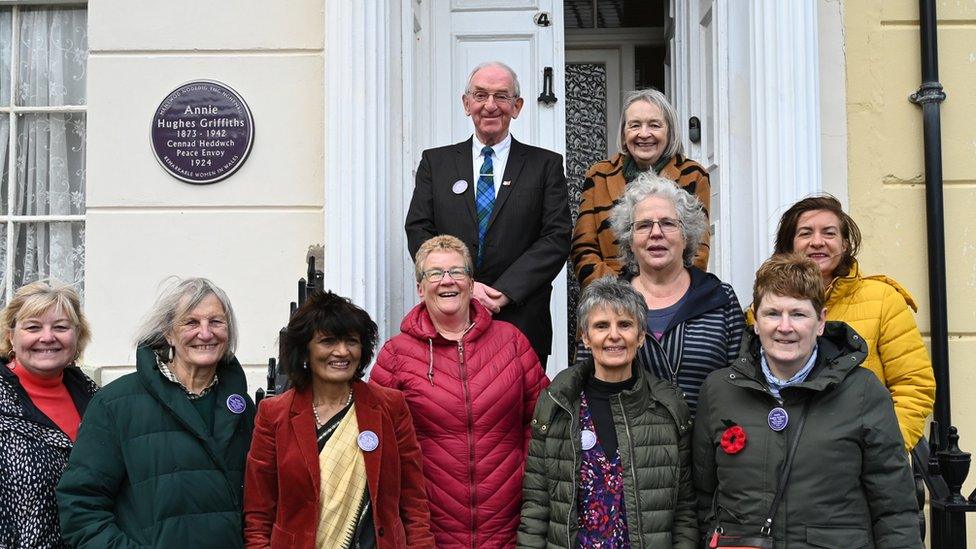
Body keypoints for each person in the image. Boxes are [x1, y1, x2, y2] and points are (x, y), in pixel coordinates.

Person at [694, 254, 921, 548]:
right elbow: (701, 498)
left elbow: (894, 509)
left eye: (798, 314)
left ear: (821, 321)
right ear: (755, 320)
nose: (784, 327)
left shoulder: (863, 392)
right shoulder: (719, 390)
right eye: (772, 313)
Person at [371, 235, 548, 548]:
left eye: (457, 271)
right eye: (435, 273)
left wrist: (526, 484)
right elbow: (380, 446)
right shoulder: (396, 356)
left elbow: (541, 424)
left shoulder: (512, 342)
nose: (447, 281)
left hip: (509, 528)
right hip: (429, 532)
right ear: (419, 288)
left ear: (471, 281)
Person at [57, 278, 255, 548]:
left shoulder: (243, 408)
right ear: (168, 332)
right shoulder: (115, 404)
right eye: (191, 323)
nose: (206, 333)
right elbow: (81, 507)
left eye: (216, 322)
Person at [404, 61, 572, 369]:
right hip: (449, 314)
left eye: (501, 96)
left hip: (520, 320)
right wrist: (463, 284)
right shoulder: (436, 163)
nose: (490, 105)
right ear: (466, 104)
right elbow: (419, 229)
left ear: (517, 106)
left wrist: (504, 291)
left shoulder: (545, 165)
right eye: (480, 95)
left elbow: (556, 238)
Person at [244, 291, 434, 548]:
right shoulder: (274, 414)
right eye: (328, 341)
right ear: (305, 350)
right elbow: (258, 513)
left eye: (351, 341)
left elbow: (413, 502)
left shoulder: (390, 407)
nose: (342, 352)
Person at [518, 277, 697, 548]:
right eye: (601, 326)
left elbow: (684, 511)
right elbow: (537, 505)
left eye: (625, 325)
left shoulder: (667, 408)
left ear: (640, 336)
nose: (614, 335)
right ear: (586, 338)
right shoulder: (557, 404)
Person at [770, 195, 935, 450]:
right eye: (805, 233)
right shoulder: (767, 307)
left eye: (829, 233)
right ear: (789, 244)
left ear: (845, 244)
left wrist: (885, 450)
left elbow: (913, 386)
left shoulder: (882, 299)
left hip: (862, 461)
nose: (817, 242)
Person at [603, 173, 743, 415]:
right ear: (629, 239)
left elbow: (742, 382)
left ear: (686, 234)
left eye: (668, 223)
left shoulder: (720, 298)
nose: (656, 233)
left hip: (707, 444)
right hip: (629, 447)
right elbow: (589, 386)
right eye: (644, 225)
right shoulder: (606, 303)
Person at [572, 88, 711, 288]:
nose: (644, 134)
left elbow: (698, 250)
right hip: (611, 298)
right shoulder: (599, 175)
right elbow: (583, 249)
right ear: (624, 132)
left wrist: (666, 295)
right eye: (635, 125)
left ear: (669, 131)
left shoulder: (693, 174)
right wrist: (622, 293)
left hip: (674, 297)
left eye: (654, 125)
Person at [0, 281, 97, 548]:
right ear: (11, 335)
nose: (47, 337)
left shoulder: (99, 400)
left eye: (61, 327)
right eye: (33, 327)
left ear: (77, 336)